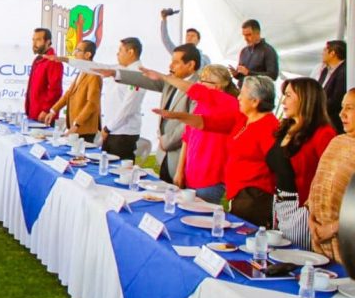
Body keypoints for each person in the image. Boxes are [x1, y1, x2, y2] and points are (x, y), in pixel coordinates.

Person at [153, 73, 278, 223]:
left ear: (255, 101)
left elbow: (277, 165)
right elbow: (207, 123)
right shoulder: (243, 120)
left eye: (243, 94)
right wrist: (177, 116)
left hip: (254, 194)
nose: (239, 97)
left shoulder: (269, 127)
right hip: (237, 191)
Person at [113, 44, 200, 183]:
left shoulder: (198, 88)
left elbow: (192, 122)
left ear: (190, 65)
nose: (171, 65)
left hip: (181, 157)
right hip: (165, 156)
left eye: (176, 62)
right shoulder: (172, 81)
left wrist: (167, 141)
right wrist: (116, 73)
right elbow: (145, 80)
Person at [267, 77, 335, 248]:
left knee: (295, 254)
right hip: (280, 204)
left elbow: (330, 179)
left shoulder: (323, 134)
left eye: (289, 95)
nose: (283, 101)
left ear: (305, 98)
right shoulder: (286, 128)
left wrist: (311, 209)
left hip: (303, 209)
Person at [308, 89, 355, 261]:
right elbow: (317, 184)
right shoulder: (337, 142)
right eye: (342, 107)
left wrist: (333, 228)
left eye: (349, 108)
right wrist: (312, 221)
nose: (342, 114)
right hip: (319, 241)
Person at [40, 40, 101, 142]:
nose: (74, 53)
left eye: (78, 50)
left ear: (87, 55)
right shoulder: (83, 70)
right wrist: (53, 111)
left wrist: (77, 124)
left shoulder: (94, 73)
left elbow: (92, 104)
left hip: (84, 129)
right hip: (76, 128)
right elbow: (68, 94)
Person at [96, 37, 145, 158]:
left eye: (120, 50)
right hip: (113, 130)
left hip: (123, 133)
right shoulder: (121, 69)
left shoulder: (137, 73)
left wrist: (108, 128)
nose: (117, 54)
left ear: (130, 52)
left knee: (119, 167)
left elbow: (128, 107)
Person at [25, 28, 63, 121]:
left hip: (44, 116)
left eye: (38, 40)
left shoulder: (53, 61)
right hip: (33, 113)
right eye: (33, 40)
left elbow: (55, 90)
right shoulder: (38, 59)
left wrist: (46, 110)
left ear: (47, 42)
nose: (34, 44)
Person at [230, 19, 279, 86]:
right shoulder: (244, 51)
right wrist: (236, 74)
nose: (245, 38)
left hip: (258, 91)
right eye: (244, 35)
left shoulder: (268, 51)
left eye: (248, 35)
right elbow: (242, 75)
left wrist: (249, 73)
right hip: (242, 90)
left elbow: (273, 76)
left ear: (258, 33)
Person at [314, 39, 346, 134]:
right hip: (320, 117)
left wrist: (315, 108)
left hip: (332, 122)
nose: (322, 53)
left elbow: (337, 100)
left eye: (325, 50)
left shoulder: (344, 72)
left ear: (332, 53)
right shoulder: (325, 70)